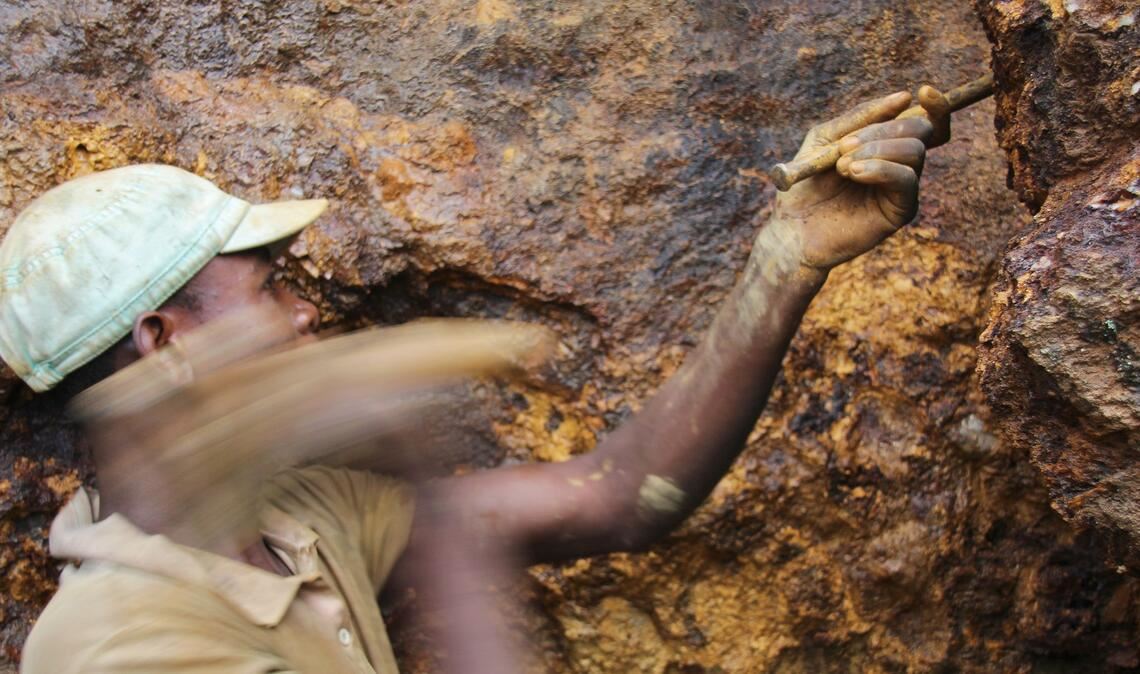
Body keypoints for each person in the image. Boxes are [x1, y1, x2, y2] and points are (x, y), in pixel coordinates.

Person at [8, 89, 948, 673]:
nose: (304, 314)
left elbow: (619, 497)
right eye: (270, 288)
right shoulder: (116, 646)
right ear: (165, 343)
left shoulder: (290, 522)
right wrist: (414, 454)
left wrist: (782, 260)